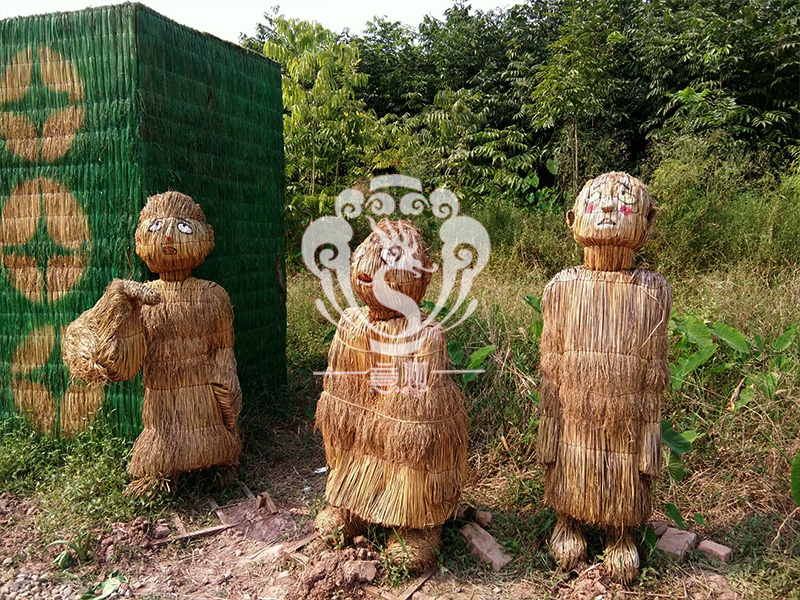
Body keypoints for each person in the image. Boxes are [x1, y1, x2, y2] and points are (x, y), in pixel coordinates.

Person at [538, 172, 671, 583]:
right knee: (571, 459)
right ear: (572, 219)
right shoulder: (562, 286)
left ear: (647, 222)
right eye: (597, 203)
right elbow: (550, 361)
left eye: (625, 204)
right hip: (574, 411)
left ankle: (621, 534)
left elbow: (655, 370)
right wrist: (548, 428)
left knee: (624, 470)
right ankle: (567, 522)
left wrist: (651, 439)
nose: (610, 208)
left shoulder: (652, 290)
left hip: (627, 415)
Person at [63, 191, 241, 498]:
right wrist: (119, 297)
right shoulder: (142, 296)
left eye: (182, 228)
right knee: (161, 436)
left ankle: (221, 463)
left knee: (212, 431)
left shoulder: (213, 294)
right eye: (157, 227)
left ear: (205, 238)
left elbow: (223, 346)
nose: (169, 236)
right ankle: (159, 473)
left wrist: (226, 378)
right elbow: (124, 355)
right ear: (141, 239)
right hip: (161, 390)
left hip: (201, 386)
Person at [314, 219, 468, 572]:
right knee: (355, 450)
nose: (369, 264)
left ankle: (417, 524)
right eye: (367, 251)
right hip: (364, 434)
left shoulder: (426, 334)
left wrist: (392, 417)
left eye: (388, 257)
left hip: (406, 437)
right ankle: (353, 504)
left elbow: (422, 407)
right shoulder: (351, 324)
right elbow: (340, 387)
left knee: (409, 457)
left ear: (422, 277)